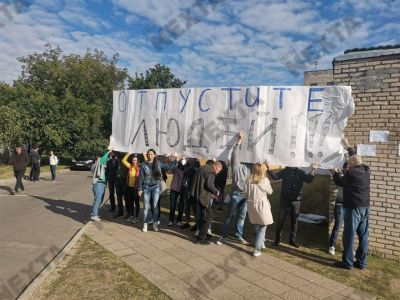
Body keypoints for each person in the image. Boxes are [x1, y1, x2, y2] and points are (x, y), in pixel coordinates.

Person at [332, 155, 370, 270]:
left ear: (353, 163)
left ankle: (348, 263)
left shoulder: (351, 174)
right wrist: (349, 149)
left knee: (349, 235)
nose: (348, 164)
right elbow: (358, 160)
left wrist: (335, 172)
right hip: (366, 208)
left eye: (349, 162)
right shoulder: (366, 170)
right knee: (363, 236)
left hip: (354, 208)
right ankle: (362, 263)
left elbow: (340, 181)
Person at [267, 162, 318, 248]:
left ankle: (292, 240)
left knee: (294, 221)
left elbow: (308, 180)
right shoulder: (285, 171)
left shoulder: (301, 172)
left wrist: (313, 170)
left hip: (296, 200)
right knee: (280, 220)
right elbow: (275, 177)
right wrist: (268, 168)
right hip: (285, 199)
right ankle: (277, 240)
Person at [216, 132, 251, 245]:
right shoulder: (236, 165)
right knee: (229, 216)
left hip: (246, 195)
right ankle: (223, 236)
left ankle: (238, 235)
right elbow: (234, 154)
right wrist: (239, 141)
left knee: (242, 216)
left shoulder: (251, 168)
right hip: (236, 194)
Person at [137, 149, 178, 232]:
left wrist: (175, 160)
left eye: (151, 154)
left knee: (155, 207)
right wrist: (139, 189)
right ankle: (145, 224)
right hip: (146, 187)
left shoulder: (159, 163)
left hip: (156, 187)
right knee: (146, 207)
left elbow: (169, 167)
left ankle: (155, 223)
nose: (150, 155)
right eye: (148, 154)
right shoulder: (143, 164)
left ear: (155, 155)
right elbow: (140, 177)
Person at [328, 139, 356, 255]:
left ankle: (348, 247)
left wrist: (348, 146)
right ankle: (332, 245)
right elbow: (337, 178)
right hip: (340, 202)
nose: (348, 164)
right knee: (338, 225)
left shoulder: (353, 174)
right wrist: (334, 171)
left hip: (350, 204)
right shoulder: (342, 172)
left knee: (349, 228)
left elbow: (354, 157)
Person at [243, 163, 273, 257]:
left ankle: (261, 243)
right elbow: (270, 191)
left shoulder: (248, 180)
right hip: (262, 205)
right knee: (262, 227)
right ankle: (257, 249)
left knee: (256, 224)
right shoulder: (265, 180)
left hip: (252, 205)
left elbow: (245, 194)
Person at [191, 160, 222, 245]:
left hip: (196, 195)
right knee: (209, 217)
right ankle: (201, 238)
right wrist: (216, 191)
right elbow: (209, 184)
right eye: (219, 171)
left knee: (203, 216)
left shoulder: (202, 167)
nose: (218, 173)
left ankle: (202, 234)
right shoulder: (211, 171)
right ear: (216, 167)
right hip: (203, 197)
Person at [91, 151, 111, 221]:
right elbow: (102, 160)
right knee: (98, 200)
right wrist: (108, 152)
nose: (101, 160)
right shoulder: (94, 165)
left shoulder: (100, 166)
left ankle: (94, 212)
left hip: (102, 184)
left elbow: (105, 162)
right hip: (98, 184)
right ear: (96, 160)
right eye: (99, 159)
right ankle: (94, 215)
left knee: (100, 200)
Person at [181, 158, 200, 229]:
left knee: (194, 207)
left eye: (192, 158)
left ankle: (196, 223)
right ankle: (187, 222)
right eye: (189, 158)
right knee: (186, 206)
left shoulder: (195, 168)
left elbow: (186, 174)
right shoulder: (186, 167)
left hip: (192, 190)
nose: (190, 160)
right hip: (186, 188)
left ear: (195, 160)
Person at [122, 153, 140, 223]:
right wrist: (128, 153)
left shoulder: (140, 167)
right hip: (129, 187)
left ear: (137, 161)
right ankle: (131, 216)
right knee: (130, 203)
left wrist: (144, 154)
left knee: (137, 203)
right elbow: (123, 160)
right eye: (133, 160)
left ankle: (136, 217)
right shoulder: (130, 166)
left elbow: (147, 160)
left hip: (136, 188)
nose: (134, 161)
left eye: (135, 160)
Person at [168, 158, 186, 226]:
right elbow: (170, 169)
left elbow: (182, 176)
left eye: (182, 162)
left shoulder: (185, 170)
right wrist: (175, 160)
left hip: (182, 189)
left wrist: (181, 169)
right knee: (172, 205)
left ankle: (179, 220)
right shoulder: (175, 168)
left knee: (181, 205)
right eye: (180, 162)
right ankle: (171, 220)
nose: (181, 164)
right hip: (174, 188)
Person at [114, 154, 129, 218]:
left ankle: (127, 213)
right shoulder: (117, 162)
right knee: (119, 197)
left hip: (124, 180)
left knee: (126, 198)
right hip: (118, 180)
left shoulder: (127, 162)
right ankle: (120, 213)